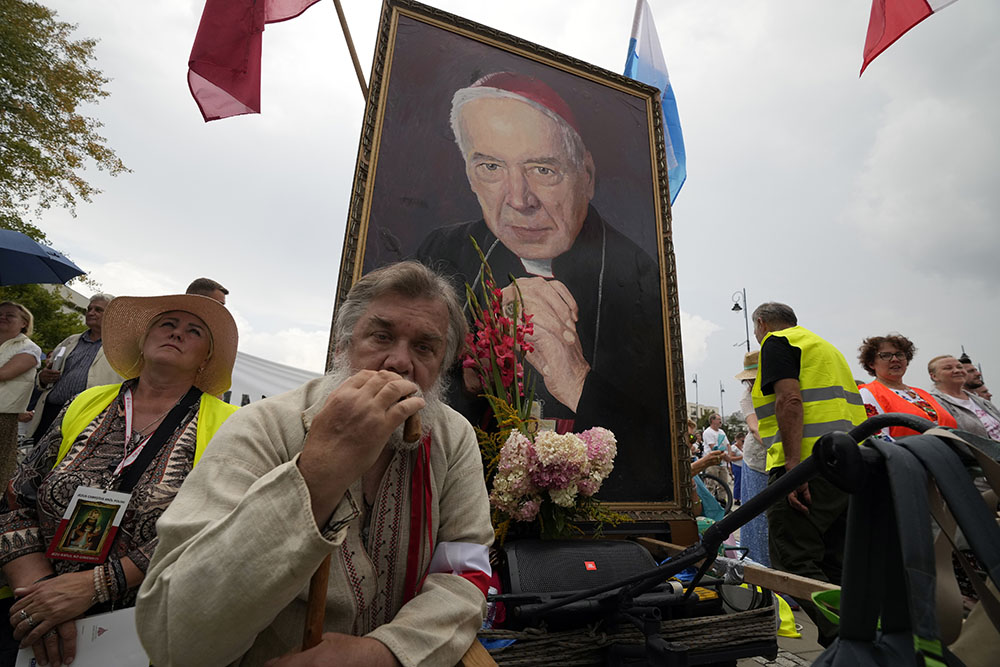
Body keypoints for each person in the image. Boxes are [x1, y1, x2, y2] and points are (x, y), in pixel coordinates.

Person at [136, 262, 494, 667]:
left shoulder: (454, 437)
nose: (399, 362)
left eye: (425, 347)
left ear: (441, 368)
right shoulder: (261, 427)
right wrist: (318, 474)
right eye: (381, 336)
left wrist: (385, 654)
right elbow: (174, 639)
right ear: (341, 346)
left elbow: (465, 574)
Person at [416, 71, 669, 501]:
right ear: (470, 174)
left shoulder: (638, 275)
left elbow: (659, 459)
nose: (519, 198)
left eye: (543, 169)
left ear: (585, 175)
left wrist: (574, 378)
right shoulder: (443, 253)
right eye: (491, 167)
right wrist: (476, 360)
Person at [0, 294, 239, 667]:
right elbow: (18, 500)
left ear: (206, 358)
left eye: (194, 332)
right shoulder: (87, 402)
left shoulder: (229, 425)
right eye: (167, 325)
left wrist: (94, 586)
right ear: (143, 342)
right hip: (37, 611)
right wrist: (42, 594)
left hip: (142, 628)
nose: (177, 334)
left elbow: (218, 529)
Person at [750, 302, 866, 646]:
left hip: (810, 465)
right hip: (845, 467)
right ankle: (861, 637)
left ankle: (846, 638)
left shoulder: (778, 342)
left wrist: (794, 467)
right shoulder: (827, 349)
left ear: (761, 324)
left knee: (792, 559)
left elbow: (790, 400)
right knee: (835, 564)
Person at [24, 294, 121, 444]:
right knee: (37, 458)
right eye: (89, 309)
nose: (90, 312)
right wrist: (43, 378)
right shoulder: (70, 341)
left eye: (98, 310)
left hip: (86, 416)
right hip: (51, 412)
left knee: (67, 460)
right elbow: (45, 375)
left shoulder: (120, 348)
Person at [857, 334, 956, 439]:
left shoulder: (923, 394)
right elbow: (879, 438)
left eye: (899, 354)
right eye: (885, 355)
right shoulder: (868, 393)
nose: (895, 359)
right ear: (871, 364)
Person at [0, 302, 42, 487]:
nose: (2, 317)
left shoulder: (30, 348)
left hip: (3, 414)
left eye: (9, 315)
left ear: (24, 323)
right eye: (0, 313)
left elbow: (3, 374)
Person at [735, 350, 769, 566]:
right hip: (758, 459)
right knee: (759, 517)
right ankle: (759, 565)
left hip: (778, 456)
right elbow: (755, 428)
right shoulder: (747, 396)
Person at [927, 355, 1000, 441]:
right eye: (948, 368)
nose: (957, 371)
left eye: (959, 367)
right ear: (934, 376)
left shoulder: (981, 401)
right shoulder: (933, 404)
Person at [701, 413, 732, 488]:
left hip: (723, 463)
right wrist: (725, 456)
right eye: (718, 419)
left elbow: (728, 445)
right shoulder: (708, 432)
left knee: (724, 484)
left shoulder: (722, 432)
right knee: (711, 484)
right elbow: (713, 448)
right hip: (712, 462)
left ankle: (721, 498)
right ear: (712, 420)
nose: (720, 421)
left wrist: (729, 456)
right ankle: (709, 499)